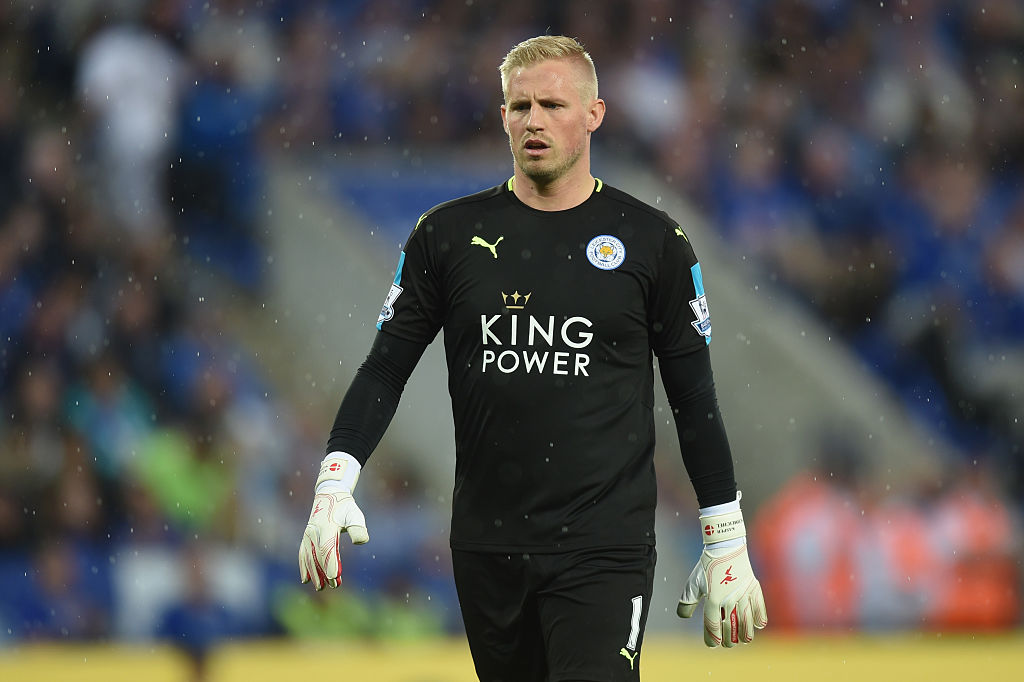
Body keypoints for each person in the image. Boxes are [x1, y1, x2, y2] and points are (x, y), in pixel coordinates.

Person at [298, 35, 767, 680]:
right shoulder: (447, 236)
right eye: (520, 107)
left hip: (604, 545)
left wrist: (725, 535)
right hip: (489, 544)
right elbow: (385, 367)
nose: (534, 121)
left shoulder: (653, 242)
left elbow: (693, 399)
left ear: (594, 114)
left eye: (552, 104)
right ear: (503, 116)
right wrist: (335, 479)